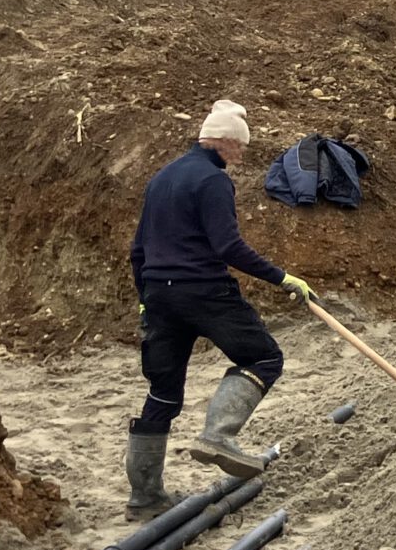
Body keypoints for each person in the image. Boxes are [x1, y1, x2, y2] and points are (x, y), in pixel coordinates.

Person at [125, 98, 314, 511]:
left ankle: (144, 497)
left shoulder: (162, 178)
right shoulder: (213, 181)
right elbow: (227, 245)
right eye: (240, 146)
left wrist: (145, 301)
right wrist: (281, 277)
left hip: (159, 295)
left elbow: (138, 250)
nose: (242, 154)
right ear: (223, 141)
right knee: (264, 358)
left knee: (163, 393)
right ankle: (218, 436)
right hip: (204, 292)